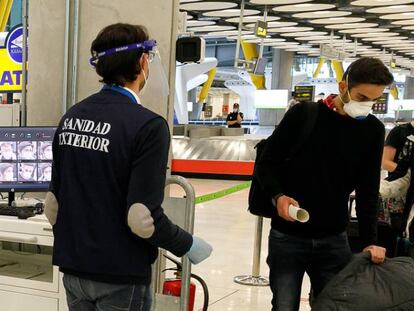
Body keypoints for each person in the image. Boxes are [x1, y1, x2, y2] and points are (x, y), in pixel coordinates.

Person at [44, 23, 212, 311]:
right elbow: (141, 218)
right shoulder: (148, 126)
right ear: (142, 61)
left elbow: (53, 205)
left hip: (73, 270)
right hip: (120, 275)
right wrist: (188, 245)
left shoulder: (71, 117)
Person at [255, 57, 394, 311]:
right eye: (362, 98)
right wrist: (278, 196)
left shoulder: (373, 130)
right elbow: (267, 164)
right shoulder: (304, 115)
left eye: (374, 100)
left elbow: (367, 190)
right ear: (343, 87)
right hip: (288, 238)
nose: (367, 106)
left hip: (334, 238)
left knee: (332, 307)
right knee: (284, 306)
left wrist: (370, 240)